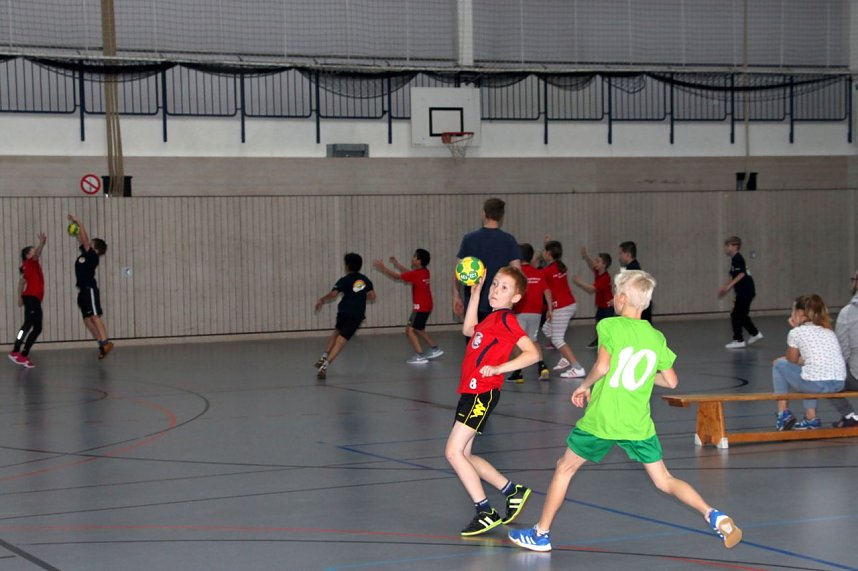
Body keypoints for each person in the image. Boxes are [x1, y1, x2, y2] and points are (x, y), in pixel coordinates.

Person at [508, 270, 743, 552]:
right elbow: (671, 380)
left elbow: (603, 366)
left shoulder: (610, 325)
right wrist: (645, 377)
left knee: (564, 469)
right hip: (638, 423)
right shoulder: (655, 336)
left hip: (603, 419)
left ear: (621, 299)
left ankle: (541, 533)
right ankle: (713, 514)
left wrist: (584, 385)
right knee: (665, 480)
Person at [445, 266, 539, 536]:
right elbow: (467, 329)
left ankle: (484, 511)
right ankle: (513, 491)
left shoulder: (507, 320)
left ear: (516, 298)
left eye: (504, 288)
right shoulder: (491, 320)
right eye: (495, 284)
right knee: (465, 455)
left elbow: (532, 353)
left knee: (453, 452)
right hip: (471, 393)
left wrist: (499, 369)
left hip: (482, 393)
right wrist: (474, 294)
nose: (496, 290)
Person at [773, 294, 846, 431]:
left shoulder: (796, 332)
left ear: (800, 313)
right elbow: (811, 359)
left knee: (778, 365)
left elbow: (792, 360)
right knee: (809, 371)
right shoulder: (828, 331)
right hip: (838, 383)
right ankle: (810, 419)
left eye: (793, 310)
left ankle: (783, 413)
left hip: (816, 385)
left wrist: (794, 329)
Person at [453, 198, 520, 322]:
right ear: (501, 217)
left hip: (474, 302)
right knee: (497, 340)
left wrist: (456, 295)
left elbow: (459, 270)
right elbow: (517, 272)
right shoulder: (509, 240)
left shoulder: (469, 239)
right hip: (500, 303)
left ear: (483, 213)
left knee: (474, 339)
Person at [373, 249, 443, 364]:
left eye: (414, 257)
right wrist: (397, 265)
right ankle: (435, 349)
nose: (412, 258)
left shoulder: (416, 274)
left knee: (409, 330)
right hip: (428, 305)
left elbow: (397, 276)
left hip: (420, 307)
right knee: (419, 329)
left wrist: (383, 268)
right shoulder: (425, 272)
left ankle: (420, 355)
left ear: (419, 260)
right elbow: (408, 274)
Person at [314, 253, 376, 380]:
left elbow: (333, 294)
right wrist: (360, 296)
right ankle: (325, 366)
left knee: (336, 333)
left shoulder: (343, 280)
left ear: (347, 266)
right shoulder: (365, 280)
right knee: (341, 340)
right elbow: (372, 296)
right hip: (356, 314)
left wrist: (321, 299)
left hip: (343, 311)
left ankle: (324, 356)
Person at [68, 214, 113, 359]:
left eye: (91, 243)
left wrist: (79, 222)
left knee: (94, 316)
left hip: (89, 289)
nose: (87, 243)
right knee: (87, 321)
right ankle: (101, 344)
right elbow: (83, 240)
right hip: (82, 291)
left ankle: (106, 342)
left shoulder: (93, 256)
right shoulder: (86, 255)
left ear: (96, 249)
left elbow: (85, 240)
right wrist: (77, 231)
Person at [541, 240, 585, 378]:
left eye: (545, 251)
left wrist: (550, 309)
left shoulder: (547, 271)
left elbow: (547, 291)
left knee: (557, 339)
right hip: (568, 304)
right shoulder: (560, 266)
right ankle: (564, 357)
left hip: (562, 307)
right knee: (547, 329)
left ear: (548, 253)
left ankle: (577, 368)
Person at [508, 243, 551, 383]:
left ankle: (518, 372)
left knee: (517, 342)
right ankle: (542, 366)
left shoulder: (517, 274)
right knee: (533, 340)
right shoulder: (538, 272)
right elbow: (547, 291)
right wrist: (550, 309)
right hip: (536, 313)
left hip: (520, 312)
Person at [8, 232, 47, 368]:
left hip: (33, 299)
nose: (35, 253)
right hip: (31, 298)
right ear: (28, 255)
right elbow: (37, 254)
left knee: (37, 327)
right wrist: (42, 242)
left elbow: (21, 283)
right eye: (33, 251)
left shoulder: (28, 267)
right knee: (28, 324)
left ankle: (24, 355)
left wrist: (19, 297)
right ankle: (15, 351)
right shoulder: (31, 262)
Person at [718, 236, 763, 349]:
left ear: (735, 246)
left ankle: (738, 339)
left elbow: (741, 274)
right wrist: (725, 287)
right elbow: (733, 276)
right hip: (745, 291)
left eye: (728, 246)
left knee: (735, 315)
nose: (726, 249)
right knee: (742, 315)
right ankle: (755, 333)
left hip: (745, 291)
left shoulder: (738, 258)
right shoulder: (734, 260)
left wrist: (728, 287)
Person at [831, 270, 858, 427]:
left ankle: (849, 414)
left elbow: (842, 352)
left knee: (823, 378)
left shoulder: (847, 313)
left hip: (856, 377)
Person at [573, 248, 614, 349]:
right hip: (601, 305)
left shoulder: (605, 277)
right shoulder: (598, 271)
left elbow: (591, 289)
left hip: (608, 306)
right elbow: (592, 264)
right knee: (598, 324)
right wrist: (586, 256)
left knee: (606, 327)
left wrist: (579, 282)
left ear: (604, 265)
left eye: (598, 261)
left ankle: (609, 345)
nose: (595, 262)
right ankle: (598, 340)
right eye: (596, 260)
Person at [618, 241, 651, 323]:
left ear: (628, 255)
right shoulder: (631, 267)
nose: (619, 256)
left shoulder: (633, 270)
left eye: (621, 253)